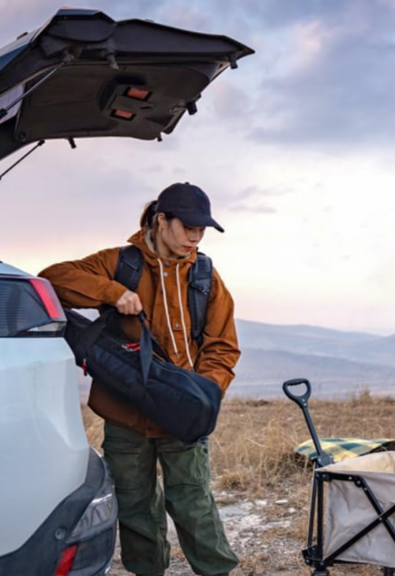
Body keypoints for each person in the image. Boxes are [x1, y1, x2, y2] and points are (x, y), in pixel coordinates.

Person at [40, 182, 241, 576]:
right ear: (161, 220)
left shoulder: (204, 276)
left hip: (181, 414)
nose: (195, 237)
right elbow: (53, 278)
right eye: (188, 227)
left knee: (194, 504)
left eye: (203, 229)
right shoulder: (120, 263)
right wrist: (112, 292)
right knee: (134, 508)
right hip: (125, 414)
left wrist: (202, 394)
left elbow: (223, 346)